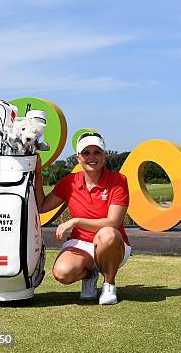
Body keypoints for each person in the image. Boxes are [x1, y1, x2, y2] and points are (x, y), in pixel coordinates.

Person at [34, 131, 131, 305]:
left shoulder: (118, 180)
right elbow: (42, 206)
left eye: (97, 152)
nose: (91, 157)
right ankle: (90, 274)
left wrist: (76, 221)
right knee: (62, 273)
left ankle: (109, 284)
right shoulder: (70, 181)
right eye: (86, 153)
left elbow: (113, 223)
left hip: (113, 245)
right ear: (78, 158)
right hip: (82, 243)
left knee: (107, 234)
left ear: (104, 156)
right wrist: (39, 174)